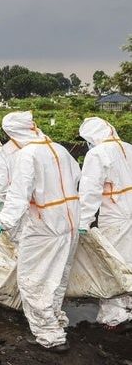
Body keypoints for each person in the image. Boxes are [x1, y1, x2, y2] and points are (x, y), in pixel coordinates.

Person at [0, 111, 80, 352]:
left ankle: (50, 337)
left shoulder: (28, 154)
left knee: (32, 281)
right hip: (69, 222)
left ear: (13, 133)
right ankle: (56, 321)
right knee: (57, 278)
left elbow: (17, 198)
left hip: (44, 225)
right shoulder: (58, 148)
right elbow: (77, 177)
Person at [77, 117, 132, 332]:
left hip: (115, 213)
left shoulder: (97, 154)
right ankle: (129, 306)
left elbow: (90, 191)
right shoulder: (127, 147)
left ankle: (114, 316)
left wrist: (83, 221)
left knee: (112, 263)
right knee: (130, 259)